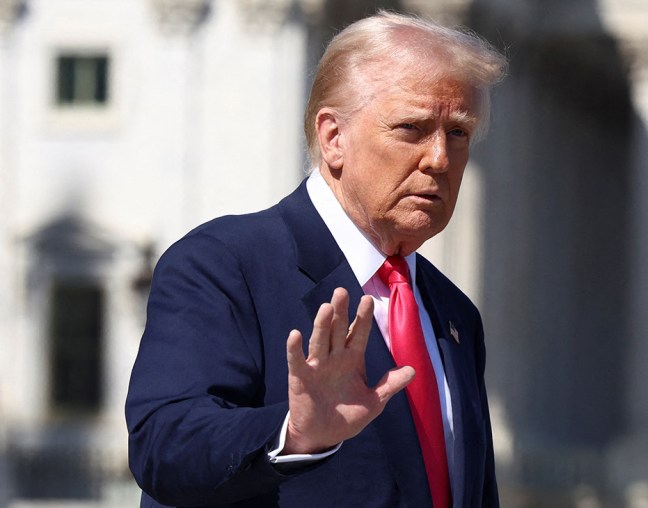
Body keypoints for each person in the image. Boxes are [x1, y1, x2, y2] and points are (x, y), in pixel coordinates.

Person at [126, 10, 506, 508]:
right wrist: (295, 434)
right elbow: (163, 447)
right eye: (412, 127)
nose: (439, 157)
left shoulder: (454, 313)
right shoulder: (224, 265)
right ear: (333, 138)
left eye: (458, 132)